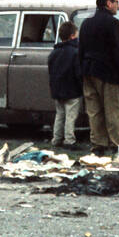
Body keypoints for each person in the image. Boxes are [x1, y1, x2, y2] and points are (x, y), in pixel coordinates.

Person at [78, 0, 119, 157]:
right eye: (116, 1)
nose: (118, 5)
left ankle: (98, 145)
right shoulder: (113, 23)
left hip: (88, 71)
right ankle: (118, 145)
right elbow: (118, 50)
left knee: (94, 111)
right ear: (108, 3)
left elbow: (81, 49)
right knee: (113, 109)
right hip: (107, 72)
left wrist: (82, 70)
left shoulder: (86, 23)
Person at [47, 21, 84, 150]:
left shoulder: (54, 52)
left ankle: (56, 139)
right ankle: (69, 140)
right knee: (70, 116)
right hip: (72, 90)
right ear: (73, 36)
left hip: (57, 90)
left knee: (60, 115)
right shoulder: (75, 52)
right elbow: (78, 73)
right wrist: (82, 87)